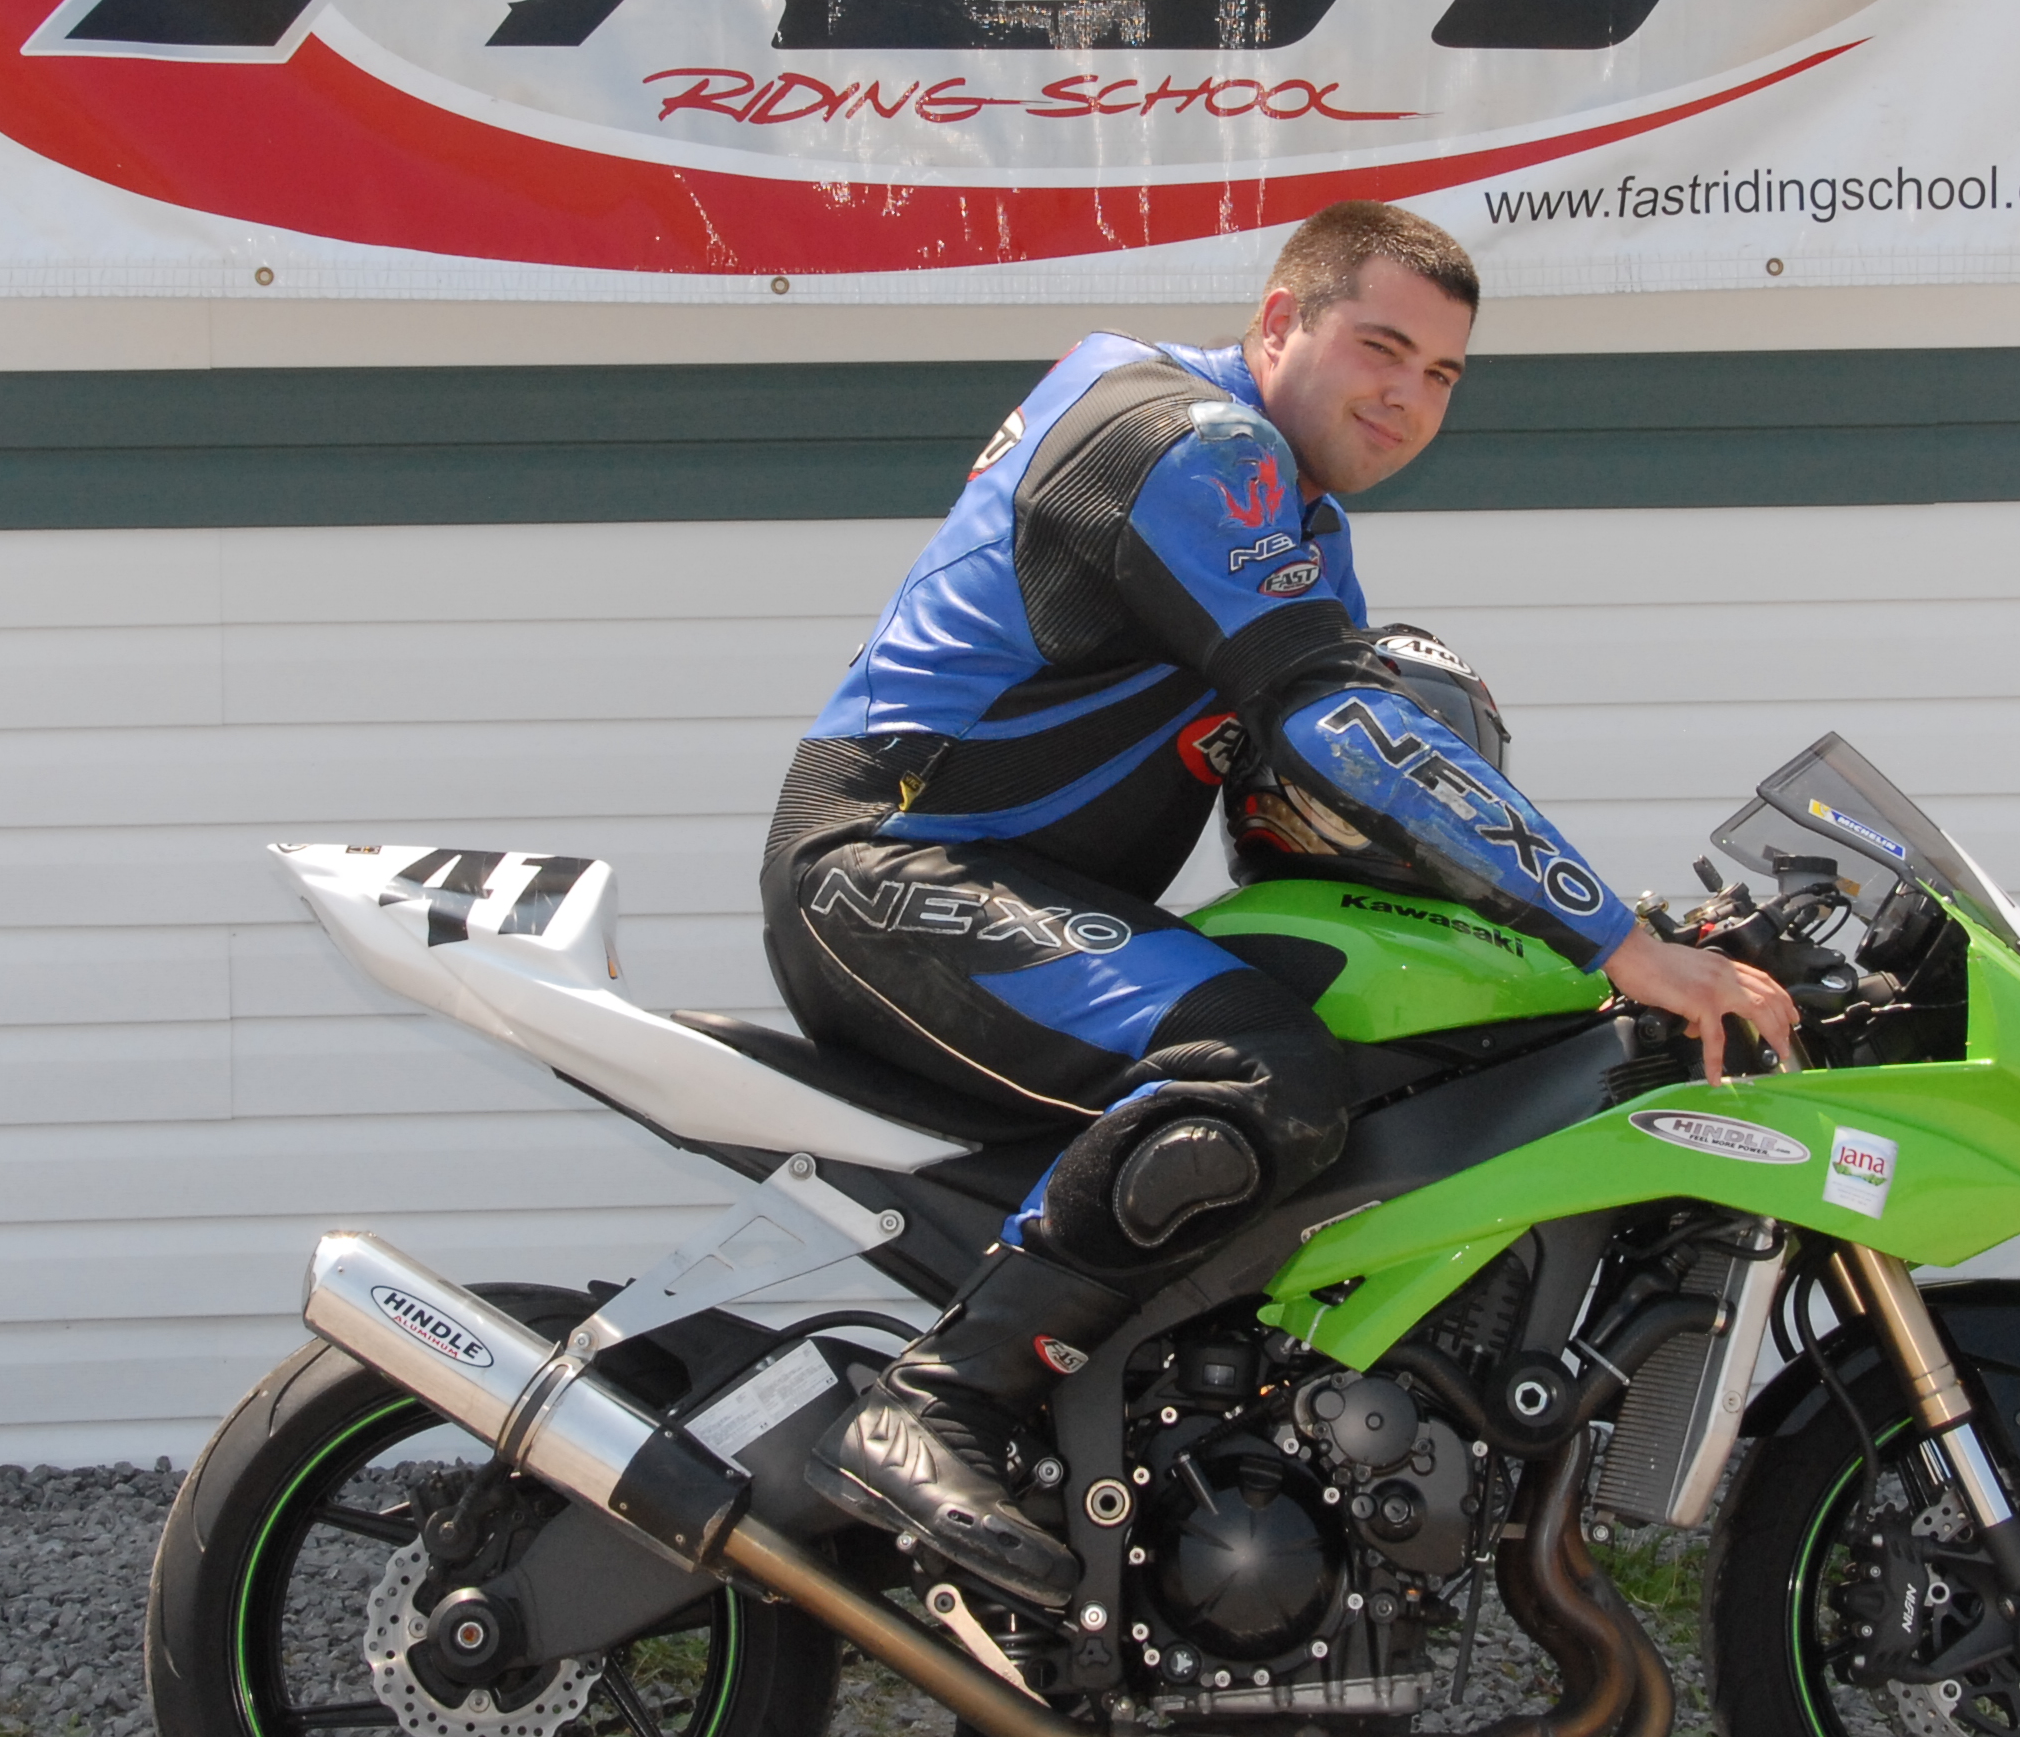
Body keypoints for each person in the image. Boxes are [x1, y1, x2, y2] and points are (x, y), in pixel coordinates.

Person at [765, 199, 1795, 1607]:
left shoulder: (1291, 510)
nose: (1408, 395)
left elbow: (1356, 776)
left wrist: (1597, 936)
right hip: (891, 869)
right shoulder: (1191, 442)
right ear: (1276, 323)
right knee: (1262, 1071)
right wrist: (1619, 941)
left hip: (1004, 884)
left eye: (1443, 373)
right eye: (1381, 346)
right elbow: (1336, 724)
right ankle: (937, 1401)